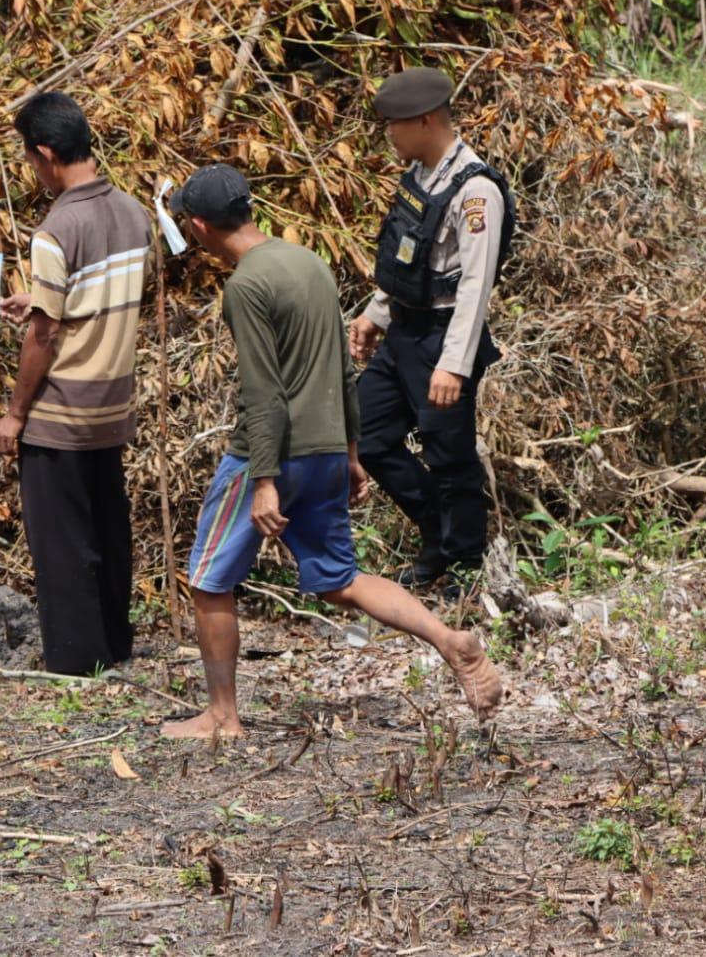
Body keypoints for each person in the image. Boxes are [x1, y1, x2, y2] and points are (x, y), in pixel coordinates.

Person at [160, 164, 503, 739]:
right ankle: (451, 640)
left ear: (198, 226)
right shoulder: (308, 262)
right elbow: (346, 367)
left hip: (266, 457)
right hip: (324, 450)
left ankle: (222, 716)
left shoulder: (246, 285)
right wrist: (349, 453)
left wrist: (264, 480)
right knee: (340, 579)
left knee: (210, 581)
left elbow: (262, 392)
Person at [0, 92, 151, 675]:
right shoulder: (133, 212)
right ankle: (115, 644)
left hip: (63, 409)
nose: (33, 170)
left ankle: (77, 662)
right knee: (108, 527)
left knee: (62, 542)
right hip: (113, 401)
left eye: (30, 160)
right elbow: (108, 295)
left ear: (48, 153)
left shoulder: (57, 227)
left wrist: (15, 414)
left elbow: (45, 337)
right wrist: (42, 300)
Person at [347, 67, 516, 595]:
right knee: (367, 434)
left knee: (450, 457)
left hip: (444, 338)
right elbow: (409, 259)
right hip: (403, 331)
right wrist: (376, 313)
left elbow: (473, 285)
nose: (389, 135)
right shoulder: (420, 177)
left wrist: (454, 364)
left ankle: (465, 566)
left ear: (424, 120)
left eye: (394, 125)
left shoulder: (475, 191)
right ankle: (438, 537)